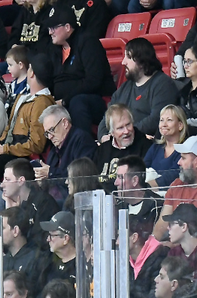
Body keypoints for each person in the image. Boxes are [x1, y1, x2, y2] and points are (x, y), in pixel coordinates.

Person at [46, 4, 111, 133]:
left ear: (67, 27)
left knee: (78, 102)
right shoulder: (54, 49)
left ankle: (83, 147)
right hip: (63, 101)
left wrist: (65, 101)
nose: (50, 32)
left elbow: (93, 81)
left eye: (53, 28)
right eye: (49, 28)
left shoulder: (88, 42)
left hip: (95, 100)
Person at [158, 137, 197, 244]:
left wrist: (170, 246)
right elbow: (160, 228)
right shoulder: (177, 184)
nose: (179, 162)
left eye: (183, 158)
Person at [36, 104, 94, 183]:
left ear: (65, 123)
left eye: (52, 130)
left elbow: (81, 175)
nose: (50, 137)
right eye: (47, 133)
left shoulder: (82, 140)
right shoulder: (54, 151)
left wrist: (51, 173)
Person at [93, 105, 150, 182]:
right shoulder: (102, 150)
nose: (126, 131)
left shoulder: (146, 146)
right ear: (112, 132)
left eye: (128, 124)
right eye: (120, 128)